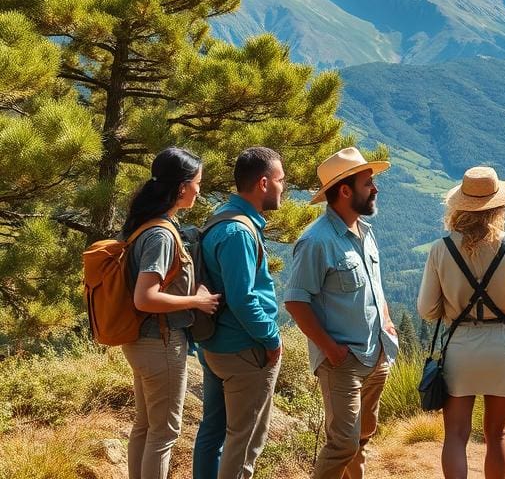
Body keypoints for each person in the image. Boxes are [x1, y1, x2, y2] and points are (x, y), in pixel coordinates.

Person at [418, 166, 505, 479]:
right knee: (498, 434)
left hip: (461, 348)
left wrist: (454, 305)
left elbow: (427, 310)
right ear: (500, 206)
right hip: (503, 348)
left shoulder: (440, 249)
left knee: (456, 435)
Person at [285, 147, 399, 479]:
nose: (375, 189)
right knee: (342, 444)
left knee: (360, 441)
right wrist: (329, 348)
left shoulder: (365, 231)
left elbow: (375, 288)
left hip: (376, 355)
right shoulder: (316, 241)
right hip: (343, 362)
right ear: (345, 190)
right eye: (368, 183)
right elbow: (295, 301)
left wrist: (388, 326)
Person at [121, 147, 221, 479]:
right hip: (160, 343)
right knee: (164, 434)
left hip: (140, 341)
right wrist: (196, 301)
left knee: (145, 426)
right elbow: (145, 297)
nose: (199, 190)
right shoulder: (162, 234)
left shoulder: (144, 225)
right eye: (197, 183)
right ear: (181, 187)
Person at [193, 147, 285, 479]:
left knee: (212, 434)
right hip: (244, 351)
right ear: (263, 183)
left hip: (215, 344)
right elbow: (244, 299)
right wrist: (272, 339)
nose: (282, 187)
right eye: (280, 180)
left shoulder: (222, 215)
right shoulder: (239, 232)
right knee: (244, 442)